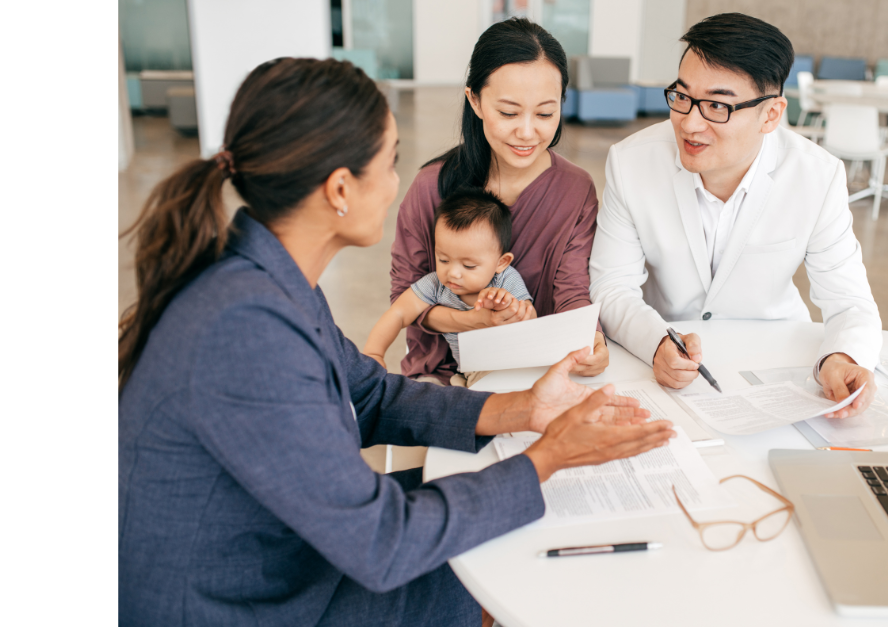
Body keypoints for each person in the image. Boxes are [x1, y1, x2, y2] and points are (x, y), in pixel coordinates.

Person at [117, 57, 675, 627]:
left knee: (494, 507)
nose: (396, 185)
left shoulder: (266, 281)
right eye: (390, 163)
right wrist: (548, 456)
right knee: (499, 553)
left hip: (280, 557)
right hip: (251, 603)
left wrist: (524, 409)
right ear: (339, 188)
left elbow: (373, 396)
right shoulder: (245, 334)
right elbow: (381, 544)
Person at [588, 13, 883, 418]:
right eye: (682, 96)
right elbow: (611, 285)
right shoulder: (631, 161)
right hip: (673, 361)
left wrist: (842, 356)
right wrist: (656, 341)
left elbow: (849, 301)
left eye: (717, 106)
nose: (690, 123)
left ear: (771, 115)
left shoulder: (817, 175)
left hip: (777, 359)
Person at [391, 18, 609, 386]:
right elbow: (406, 298)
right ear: (474, 100)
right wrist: (476, 321)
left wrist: (592, 337)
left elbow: (572, 291)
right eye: (508, 113)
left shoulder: (576, 189)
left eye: (545, 113)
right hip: (442, 372)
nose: (527, 132)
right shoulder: (431, 187)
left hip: (533, 369)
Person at [365, 188, 534, 388]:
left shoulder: (505, 280)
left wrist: (506, 306)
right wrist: (373, 353)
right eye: (443, 259)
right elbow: (398, 313)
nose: (453, 273)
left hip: (515, 364)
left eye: (469, 266)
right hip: (475, 371)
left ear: (501, 262)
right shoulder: (435, 284)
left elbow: (531, 321)